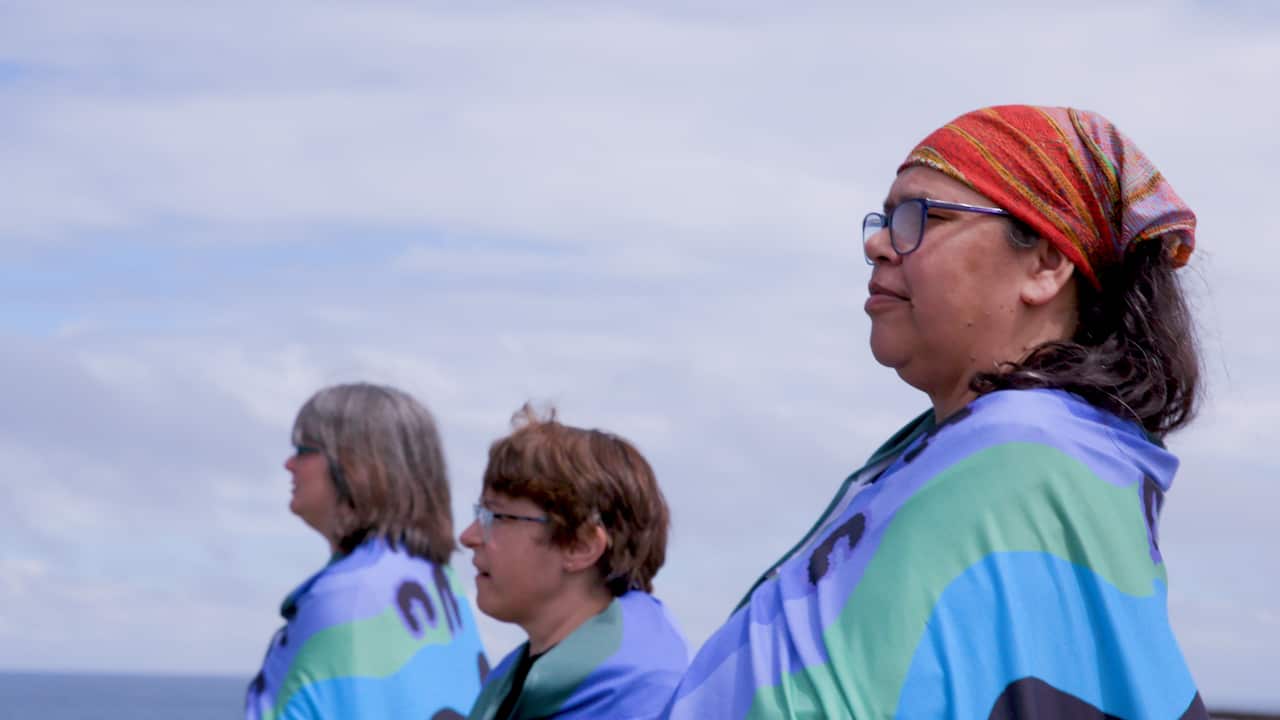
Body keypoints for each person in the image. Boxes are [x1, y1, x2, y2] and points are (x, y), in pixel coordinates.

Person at [664, 105, 1209, 719]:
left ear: (1046, 263)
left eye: (923, 216)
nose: (877, 244)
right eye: (885, 218)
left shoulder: (1026, 452)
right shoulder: (989, 447)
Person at [245, 383, 487, 720]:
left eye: (302, 449)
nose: (289, 464)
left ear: (356, 465)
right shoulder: (441, 580)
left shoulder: (345, 595)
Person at [462, 405, 688, 720]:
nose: (468, 536)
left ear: (580, 546)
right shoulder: (517, 682)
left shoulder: (638, 700)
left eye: (495, 516)